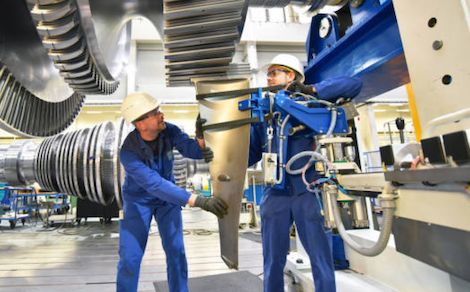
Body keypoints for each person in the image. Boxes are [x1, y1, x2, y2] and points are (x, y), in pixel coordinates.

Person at [249, 54, 363, 292]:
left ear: (291, 75)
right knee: (272, 262)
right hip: (273, 194)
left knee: (321, 259)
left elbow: (355, 84)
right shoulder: (263, 114)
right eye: (268, 74)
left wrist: (311, 90)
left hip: (305, 191)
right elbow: (251, 155)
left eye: (274, 72)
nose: (268, 78)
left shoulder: (309, 105)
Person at [116, 92, 228, 292]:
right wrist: (199, 201)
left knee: (176, 252)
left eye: (158, 110)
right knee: (129, 258)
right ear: (141, 124)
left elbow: (191, 150)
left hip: (167, 201)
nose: (161, 114)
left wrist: (201, 138)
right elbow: (155, 185)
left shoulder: (170, 131)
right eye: (155, 112)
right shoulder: (128, 153)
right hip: (138, 202)